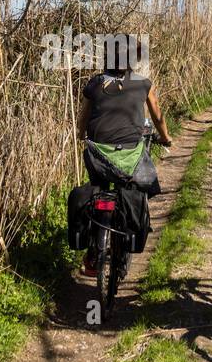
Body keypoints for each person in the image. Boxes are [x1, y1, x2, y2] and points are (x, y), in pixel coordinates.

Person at [74, 34, 173, 276]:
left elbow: (84, 118)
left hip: (97, 153)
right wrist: (166, 137)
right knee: (136, 185)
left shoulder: (95, 83)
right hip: (129, 153)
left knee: (98, 188)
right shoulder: (142, 83)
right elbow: (158, 117)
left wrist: (80, 134)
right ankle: (128, 233)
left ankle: (92, 250)